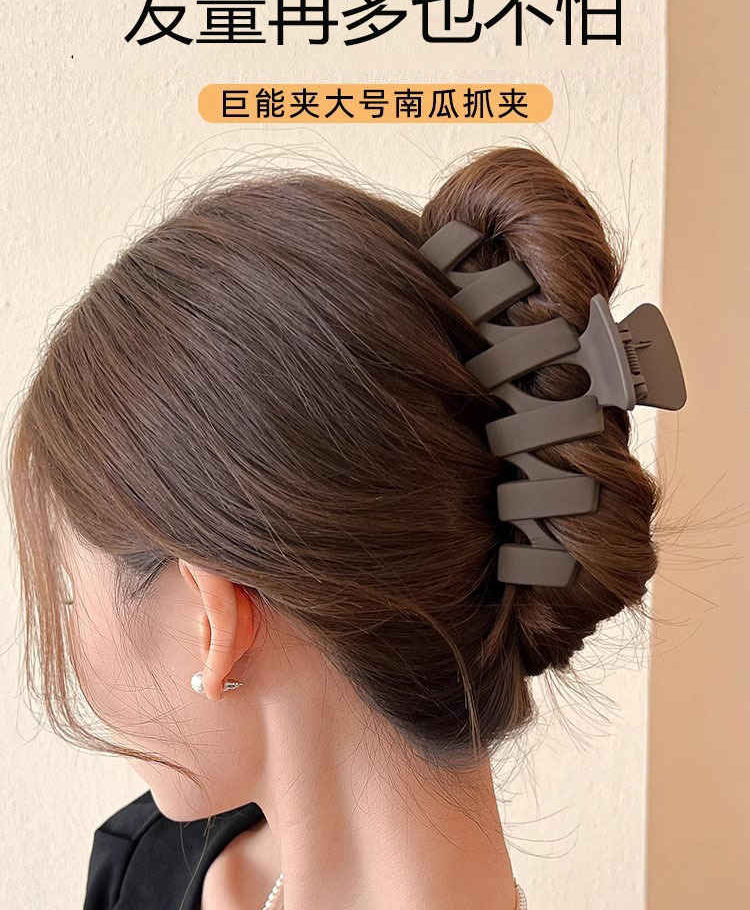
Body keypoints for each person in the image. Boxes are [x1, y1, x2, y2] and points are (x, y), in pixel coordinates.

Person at [8, 146, 672, 910]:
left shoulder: (148, 876)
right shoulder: (138, 865)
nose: (68, 638)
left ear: (211, 618)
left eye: (69, 591)